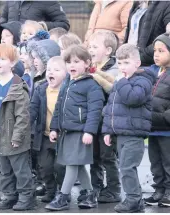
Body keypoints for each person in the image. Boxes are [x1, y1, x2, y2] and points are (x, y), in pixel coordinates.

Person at [45, 45, 105, 211]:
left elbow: (95, 110)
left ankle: (63, 197)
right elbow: (59, 107)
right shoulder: (67, 83)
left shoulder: (91, 85)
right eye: (69, 62)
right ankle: (90, 194)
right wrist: (54, 128)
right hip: (67, 131)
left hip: (81, 132)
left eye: (76, 62)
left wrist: (89, 131)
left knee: (72, 164)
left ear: (87, 63)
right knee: (76, 165)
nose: (72, 65)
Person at [102, 44, 156, 213]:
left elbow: (133, 98)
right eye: (120, 63)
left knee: (127, 167)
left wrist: (122, 81)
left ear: (137, 63)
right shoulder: (121, 82)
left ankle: (132, 199)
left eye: (126, 63)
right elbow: (111, 108)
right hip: (121, 134)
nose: (122, 67)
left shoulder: (143, 81)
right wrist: (108, 130)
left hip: (134, 135)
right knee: (124, 167)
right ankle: (136, 201)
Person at [0, 43, 35, 211]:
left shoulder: (18, 87)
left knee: (21, 170)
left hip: (14, 137)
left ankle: (27, 197)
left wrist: (17, 137)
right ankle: (9, 196)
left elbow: (23, 116)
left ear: (12, 63)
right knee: (4, 170)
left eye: (2, 59)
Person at [84, 30, 121, 204]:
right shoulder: (92, 67)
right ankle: (96, 187)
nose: (90, 49)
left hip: (108, 121)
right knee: (94, 156)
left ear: (107, 50)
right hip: (94, 121)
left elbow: (111, 88)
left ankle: (114, 190)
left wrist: (94, 76)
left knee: (108, 156)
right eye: (89, 46)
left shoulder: (113, 68)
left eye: (95, 46)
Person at [30, 56, 67, 203]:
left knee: (60, 166)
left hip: (62, 135)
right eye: (49, 69)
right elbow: (32, 110)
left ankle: (63, 192)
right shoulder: (41, 89)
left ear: (65, 73)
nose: (51, 72)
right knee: (45, 167)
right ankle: (51, 191)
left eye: (57, 70)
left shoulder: (67, 89)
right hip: (44, 135)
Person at [144, 33, 170, 207]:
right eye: (155, 50)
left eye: (161, 50)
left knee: (168, 162)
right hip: (152, 127)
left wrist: (164, 118)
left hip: (167, 129)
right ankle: (159, 189)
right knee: (155, 161)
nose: (156, 54)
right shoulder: (153, 71)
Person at [124, 0, 170, 66]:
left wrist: (142, 55)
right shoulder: (138, 3)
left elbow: (168, 37)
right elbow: (130, 32)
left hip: (149, 63)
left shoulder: (166, 4)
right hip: (129, 59)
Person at [0, 1, 69, 31]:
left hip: (35, 53)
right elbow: (3, 19)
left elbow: (64, 24)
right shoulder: (10, 1)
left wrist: (43, 26)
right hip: (11, 51)